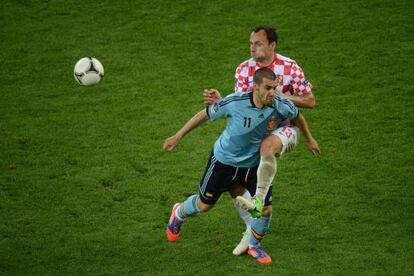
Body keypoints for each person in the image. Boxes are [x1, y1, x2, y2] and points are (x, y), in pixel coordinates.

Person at [164, 68, 320, 264]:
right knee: (204, 205)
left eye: (274, 88)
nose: (272, 92)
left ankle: (255, 245)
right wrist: (178, 135)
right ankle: (178, 212)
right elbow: (205, 114)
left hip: (254, 164)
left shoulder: (280, 105)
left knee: (265, 209)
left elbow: (298, 116)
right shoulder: (235, 102)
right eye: (267, 88)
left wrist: (309, 139)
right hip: (224, 162)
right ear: (255, 86)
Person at [203, 25, 317, 255]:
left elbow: (310, 100)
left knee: (267, 147)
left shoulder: (289, 67)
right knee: (234, 180)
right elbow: (244, 105)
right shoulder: (243, 70)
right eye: (251, 44)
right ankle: (251, 227)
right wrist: (221, 101)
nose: (252, 48)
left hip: (284, 127)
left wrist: (279, 97)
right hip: (254, 130)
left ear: (272, 45)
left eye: (258, 43)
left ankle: (258, 206)